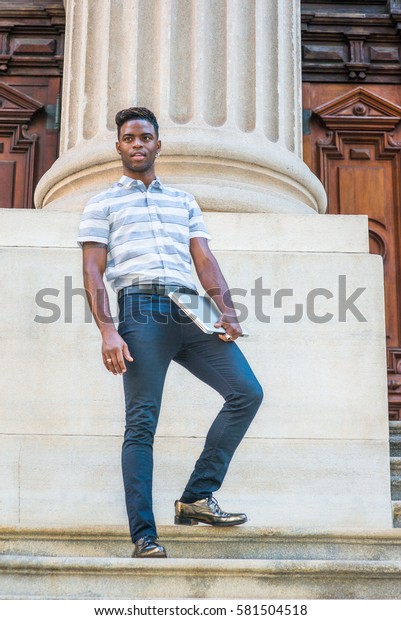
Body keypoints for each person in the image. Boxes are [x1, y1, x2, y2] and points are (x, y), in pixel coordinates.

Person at [77, 107, 264, 558]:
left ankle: (198, 496)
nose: (137, 144)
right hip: (140, 310)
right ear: (118, 146)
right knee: (141, 424)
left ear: (158, 144)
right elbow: (91, 271)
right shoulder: (101, 203)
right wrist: (108, 330)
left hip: (192, 309)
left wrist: (227, 309)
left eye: (145, 137)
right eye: (128, 137)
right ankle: (144, 535)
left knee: (247, 393)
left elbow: (203, 259)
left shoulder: (183, 201)